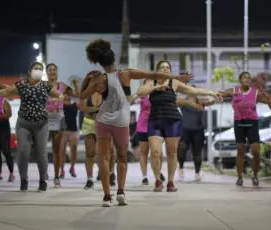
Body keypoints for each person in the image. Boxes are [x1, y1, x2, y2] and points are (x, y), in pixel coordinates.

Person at [81, 39, 220, 206]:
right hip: (121, 122)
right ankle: (120, 192)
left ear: (100, 63)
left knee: (103, 158)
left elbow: (82, 96)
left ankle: (106, 196)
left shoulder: (98, 80)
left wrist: (89, 82)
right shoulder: (126, 73)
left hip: (103, 121)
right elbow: (153, 75)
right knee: (123, 158)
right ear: (113, 59)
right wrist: (176, 77)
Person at [137, 60, 221, 192]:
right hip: (155, 121)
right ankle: (158, 180)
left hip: (173, 121)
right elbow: (140, 92)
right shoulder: (151, 82)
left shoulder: (174, 83)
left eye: (167, 68)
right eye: (162, 67)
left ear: (170, 71)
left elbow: (193, 90)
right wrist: (155, 88)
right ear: (157, 70)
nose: (165, 69)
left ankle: (170, 181)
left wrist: (212, 92)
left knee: (172, 152)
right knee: (155, 152)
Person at [0, 62, 64, 192]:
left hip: (41, 124)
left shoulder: (46, 85)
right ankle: (24, 179)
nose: (39, 71)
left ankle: (43, 181)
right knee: (23, 152)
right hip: (24, 123)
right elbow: (7, 91)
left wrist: (59, 98)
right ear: (30, 71)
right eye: (36, 68)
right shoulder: (22, 84)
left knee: (41, 154)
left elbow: (59, 94)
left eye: (41, 69)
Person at [220, 71, 270, 187]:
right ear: (240, 80)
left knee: (256, 151)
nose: (247, 80)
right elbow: (221, 94)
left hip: (252, 123)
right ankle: (240, 177)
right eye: (244, 78)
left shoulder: (255, 92)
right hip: (239, 123)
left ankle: (255, 175)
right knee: (240, 150)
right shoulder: (234, 91)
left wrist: (268, 95)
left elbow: (270, 102)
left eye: (249, 78)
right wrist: (213, 97)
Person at [79, 71, 116, 189]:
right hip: (89, 123)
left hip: (105, 123)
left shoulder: (107, 91)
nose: (93, 82)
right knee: (90, 152)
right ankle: (90, 179)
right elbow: (82, 108)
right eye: (90, 80)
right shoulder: (85, 93)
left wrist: (92, 109)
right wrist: (96, 109)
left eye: (95, 79)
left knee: (109, 151)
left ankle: (110, 174)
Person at [177, 85, 216, 181]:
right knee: (181, 149)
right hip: (185, 130)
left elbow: (211, 101)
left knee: (197, 152)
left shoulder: (200, 101)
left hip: (198, 130)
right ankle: (181, 168)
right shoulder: (183, 101)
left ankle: (197, 173)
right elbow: (176, 101)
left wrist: (215, 98)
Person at [135, 81, 165, 185]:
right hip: (143, 126)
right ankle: (144, 176)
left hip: (156, 125)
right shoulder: (143, 95)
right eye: (147, 83)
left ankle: (158, 172)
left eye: (151, 83)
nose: (150, 85)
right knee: (144, 152)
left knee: (159, 153)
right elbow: (133, 99)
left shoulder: (158, 94)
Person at [57, 82, 80, 187]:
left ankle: (72, 167)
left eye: (68, 94)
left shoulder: (75, 104)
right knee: (61, 151)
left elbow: (80, 95)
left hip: (73, 130)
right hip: (63, 130)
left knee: (74, 149)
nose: (67, 96)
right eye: (65, 94)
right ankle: (62, 170)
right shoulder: (60, 104)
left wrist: (75, 85)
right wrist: (62, 86)